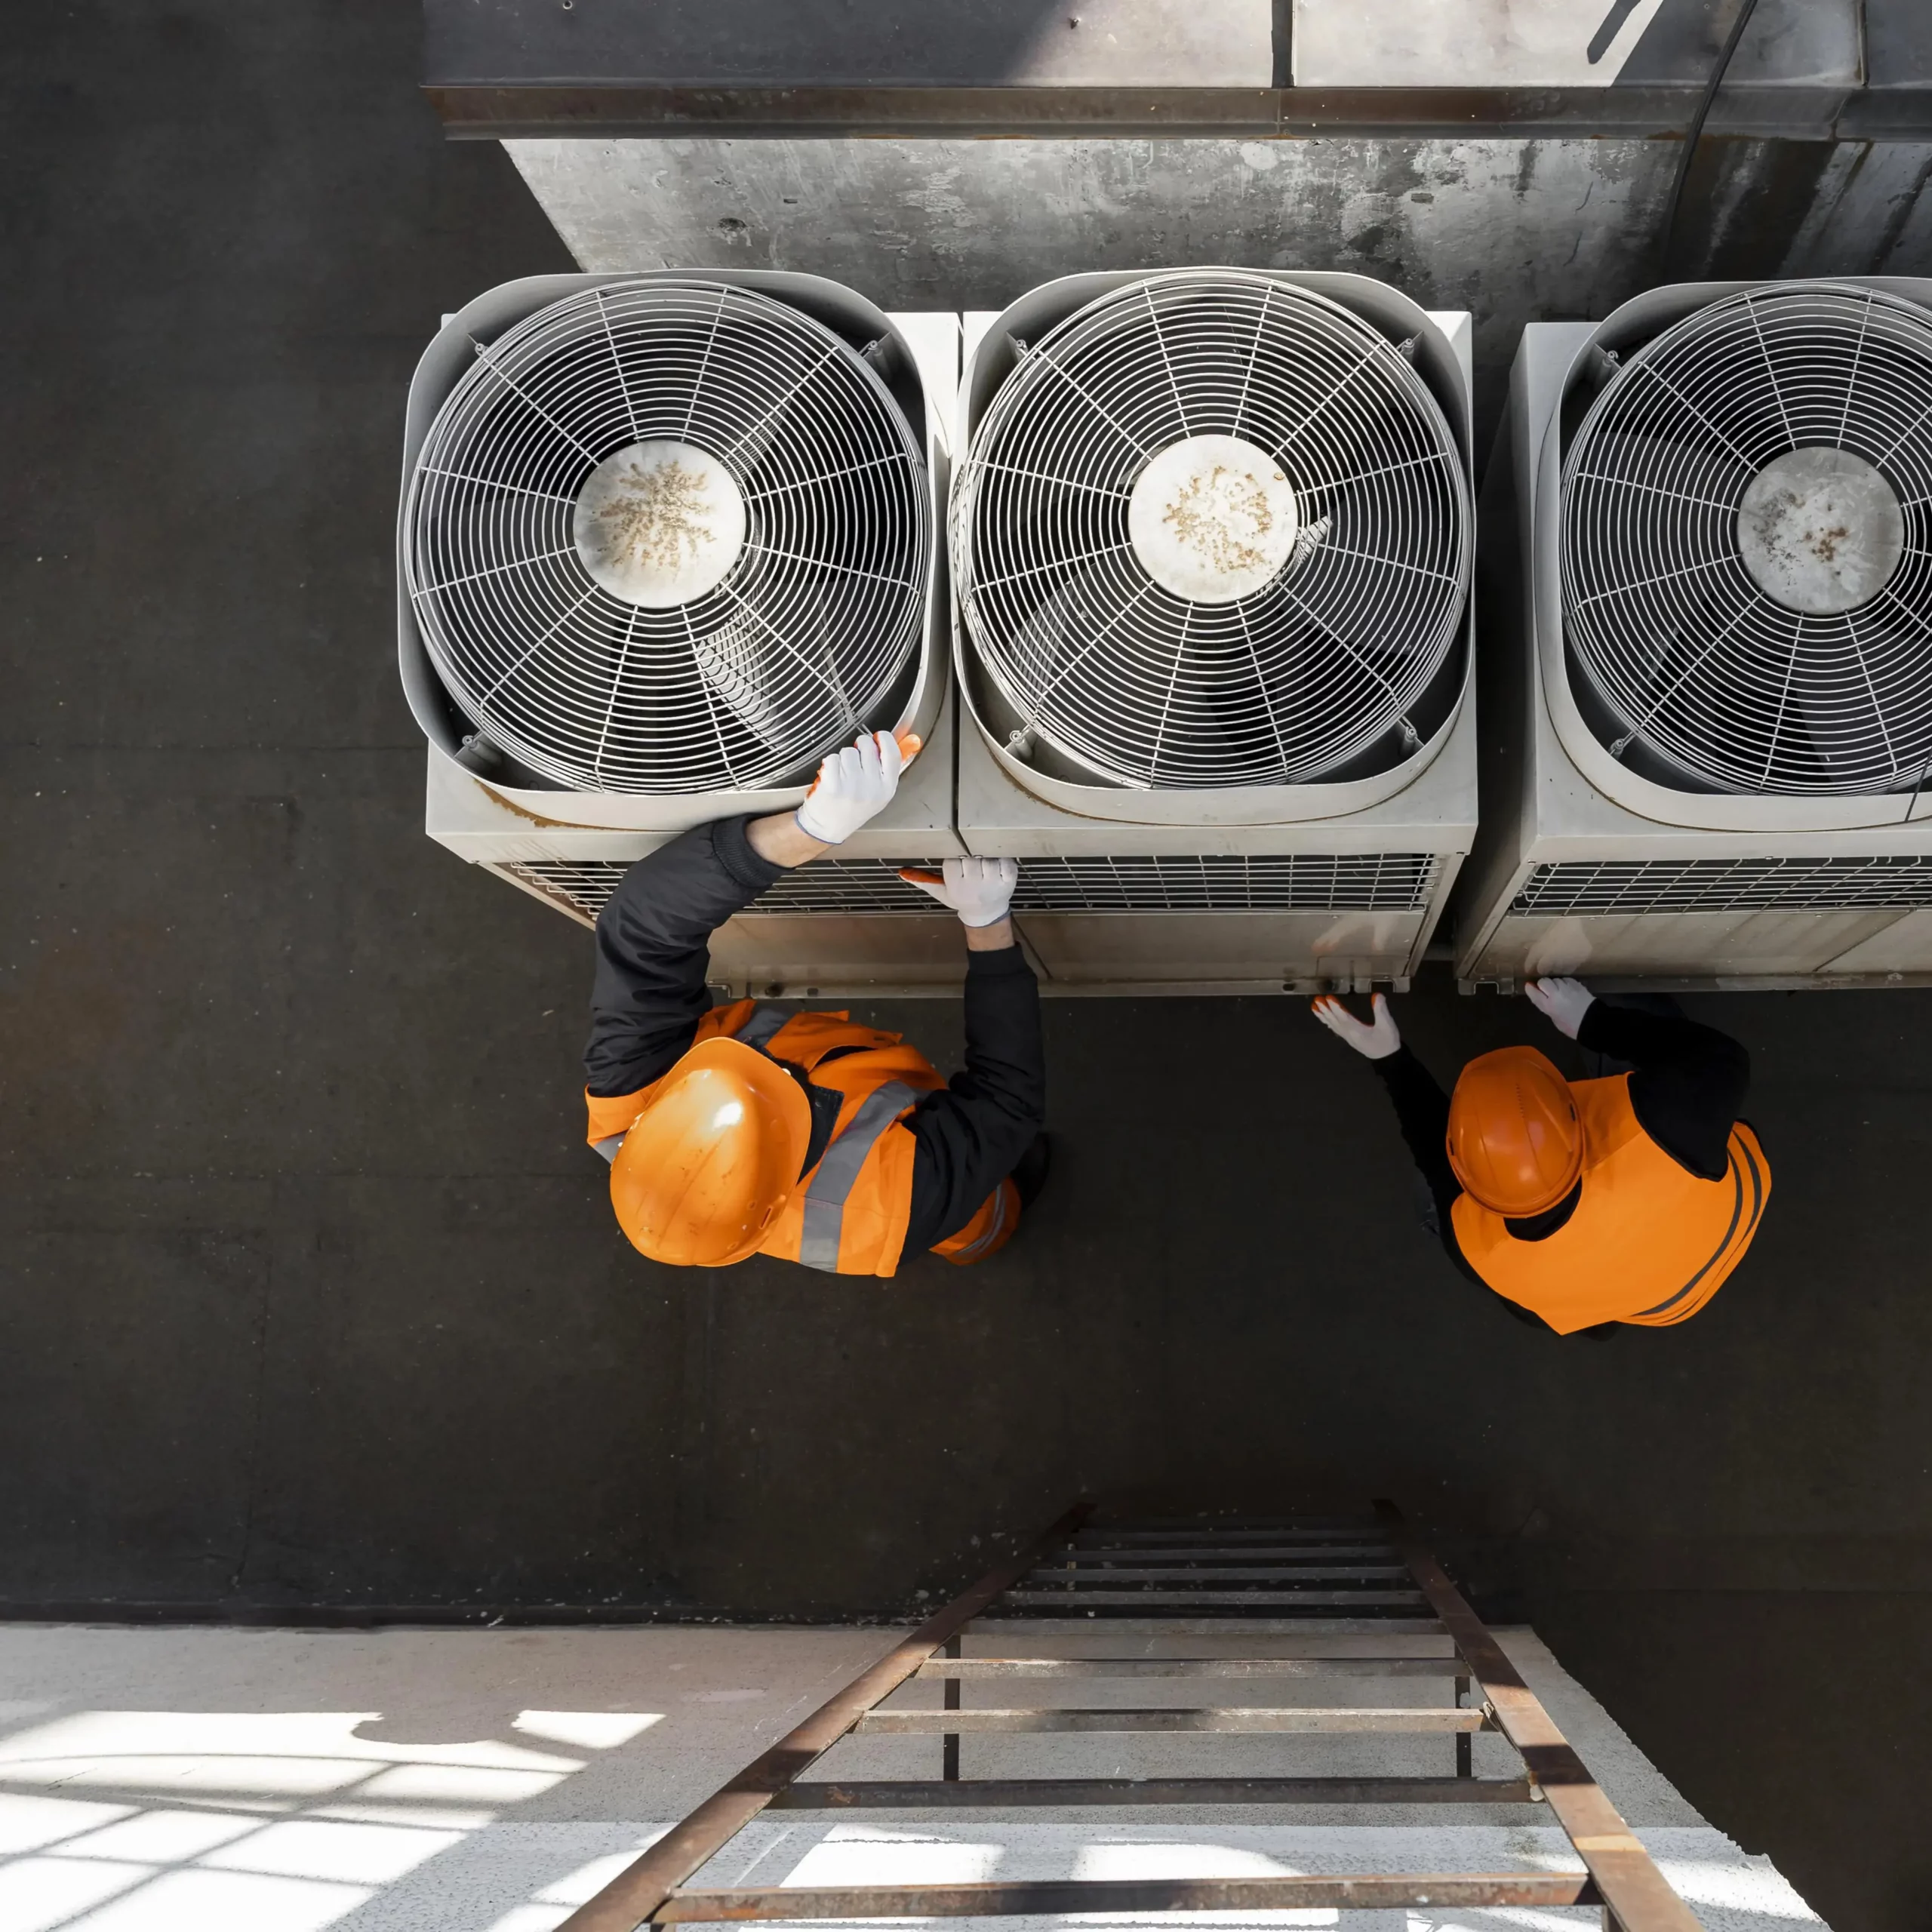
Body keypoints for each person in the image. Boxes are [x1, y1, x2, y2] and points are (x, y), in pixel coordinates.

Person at [583, 728, 1047, 1274]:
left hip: (882, 1111)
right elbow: (1006, 1098)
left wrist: (808, 830)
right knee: (987, 1206)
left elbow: (642, 929)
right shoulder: (894, 1209)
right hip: (934, 1201)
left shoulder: (632, 1093)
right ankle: (992, 1230)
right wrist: (988, 928)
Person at [1312, 978, 1769, 1334]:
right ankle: (1612, 1004)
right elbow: (1721, 1057)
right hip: (1714, 1231)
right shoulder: (1666, 1125)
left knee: (1431, 1189)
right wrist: (1593, 1022)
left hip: (1656, 1303)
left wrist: (1390, 1058)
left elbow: (1432, 1147)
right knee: (1649, 1024)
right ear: (1573, 1118)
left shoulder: (1483, 1252)